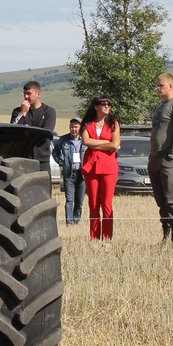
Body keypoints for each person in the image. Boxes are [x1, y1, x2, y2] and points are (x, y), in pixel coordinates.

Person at [149, 72, 173, 243]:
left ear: (171, 86)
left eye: (161, 85)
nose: (158, 89)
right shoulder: (160, 106)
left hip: (170, 158)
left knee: (172, 197)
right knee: (161, 199)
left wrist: (172, 155)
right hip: (155, 158)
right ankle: (166, 234)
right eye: (157, 85)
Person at [80, 96, 120, 241]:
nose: (107, 106)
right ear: (95, 107)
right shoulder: (87, 123)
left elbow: (115, 145)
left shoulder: (114, 124)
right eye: (103, 104)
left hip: (109, 167)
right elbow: (86, 141)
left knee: (107, 204)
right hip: (91, 166)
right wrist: (106, 143)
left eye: (109, 104)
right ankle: (94, 237)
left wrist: (95, 144)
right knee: (94, 203)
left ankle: (107, 237)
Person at [10, 81, 57, 175]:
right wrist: (22, 114)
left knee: (43, 188)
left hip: (41, 160)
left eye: (29, 93)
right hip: (22, 159)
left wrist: (25, 133)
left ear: (38, 94)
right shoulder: (17, 112)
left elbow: (46, 134)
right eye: (24, 94)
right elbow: (13, 131)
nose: (26, 97)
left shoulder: (49, 112)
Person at [52, 118, 86, 225]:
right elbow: (55, 152)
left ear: (80, 127)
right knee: (69, 200)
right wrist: (62, 162)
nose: (73, 129)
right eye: (71, 127)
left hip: (82, 174)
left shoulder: (86, 140)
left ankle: (76, 220)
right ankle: (69, 222)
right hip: (69, 174)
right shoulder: (63, 139)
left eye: (75, 127)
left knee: (79, 201)